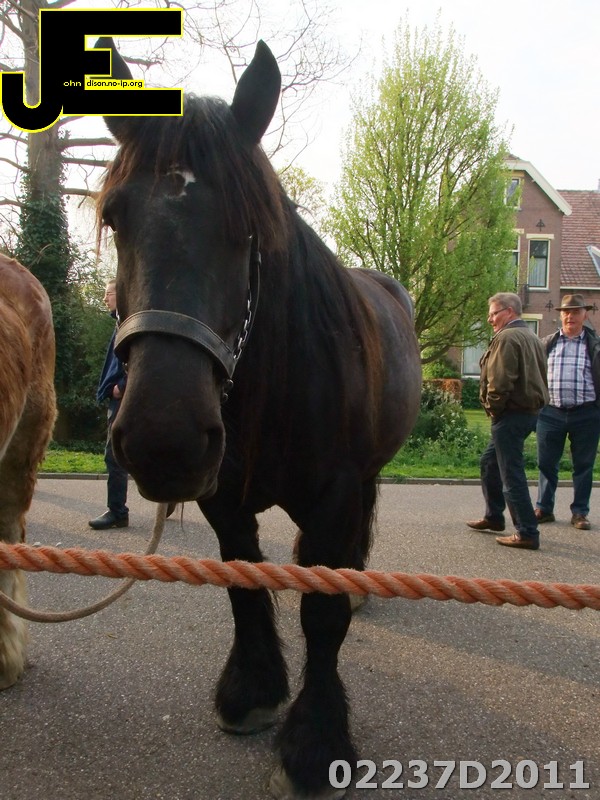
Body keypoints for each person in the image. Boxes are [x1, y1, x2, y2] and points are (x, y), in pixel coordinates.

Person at [466, 292, 549, 550]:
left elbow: (500, 381)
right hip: (529, 413)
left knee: (510, 473)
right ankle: (494, 517)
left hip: (511, 415)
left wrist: (493, 408)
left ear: (509, 311)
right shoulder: (531, 337)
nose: (490, 319)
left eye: (493, 313)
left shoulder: (507, 337)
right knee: (489, 462)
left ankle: (527, 532)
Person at [535, 294, 600, 531]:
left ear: (585, 314)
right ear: (561, 315)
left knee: (583, 465)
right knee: (546, 463)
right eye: (566, 312)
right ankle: (544, 508)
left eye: (575, 312)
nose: (570, 316)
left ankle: (580, 512)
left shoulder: (595, 345)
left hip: (586, 414)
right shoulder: (546, 343)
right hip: (550, 413)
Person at [89, 279, 129, 530]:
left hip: (122, 398)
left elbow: (140, 359)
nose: (105, 298)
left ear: (121, 294)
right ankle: (168, 496)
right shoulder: (120, 323)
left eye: (109, 293)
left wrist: (121, 386)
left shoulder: (128, 324)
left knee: (114, 455)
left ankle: (117, 512)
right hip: (118, 397)